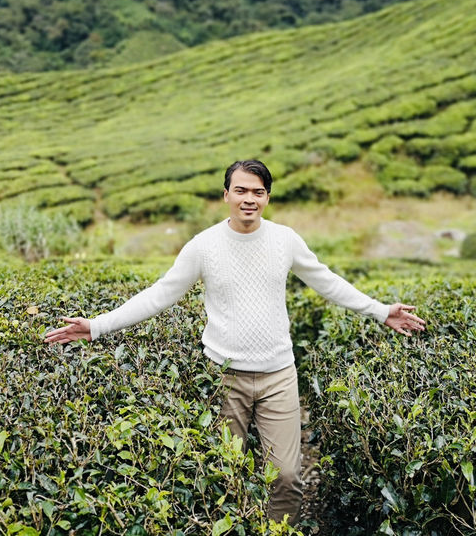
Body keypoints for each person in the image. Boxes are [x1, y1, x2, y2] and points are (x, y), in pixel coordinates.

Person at [45, 159, 426, 526]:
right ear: (225, 194)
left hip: (278, 374)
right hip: (224, 376)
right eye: (240, 190)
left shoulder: (284, 239)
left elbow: (326, 281)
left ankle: (279, 529)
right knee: (226, 472)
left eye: (258, 192)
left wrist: (380, 310)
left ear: (267, 198)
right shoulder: (203, 246)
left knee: (288, 475)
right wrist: (96, 326)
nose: (249, 199)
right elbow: (160, 295)